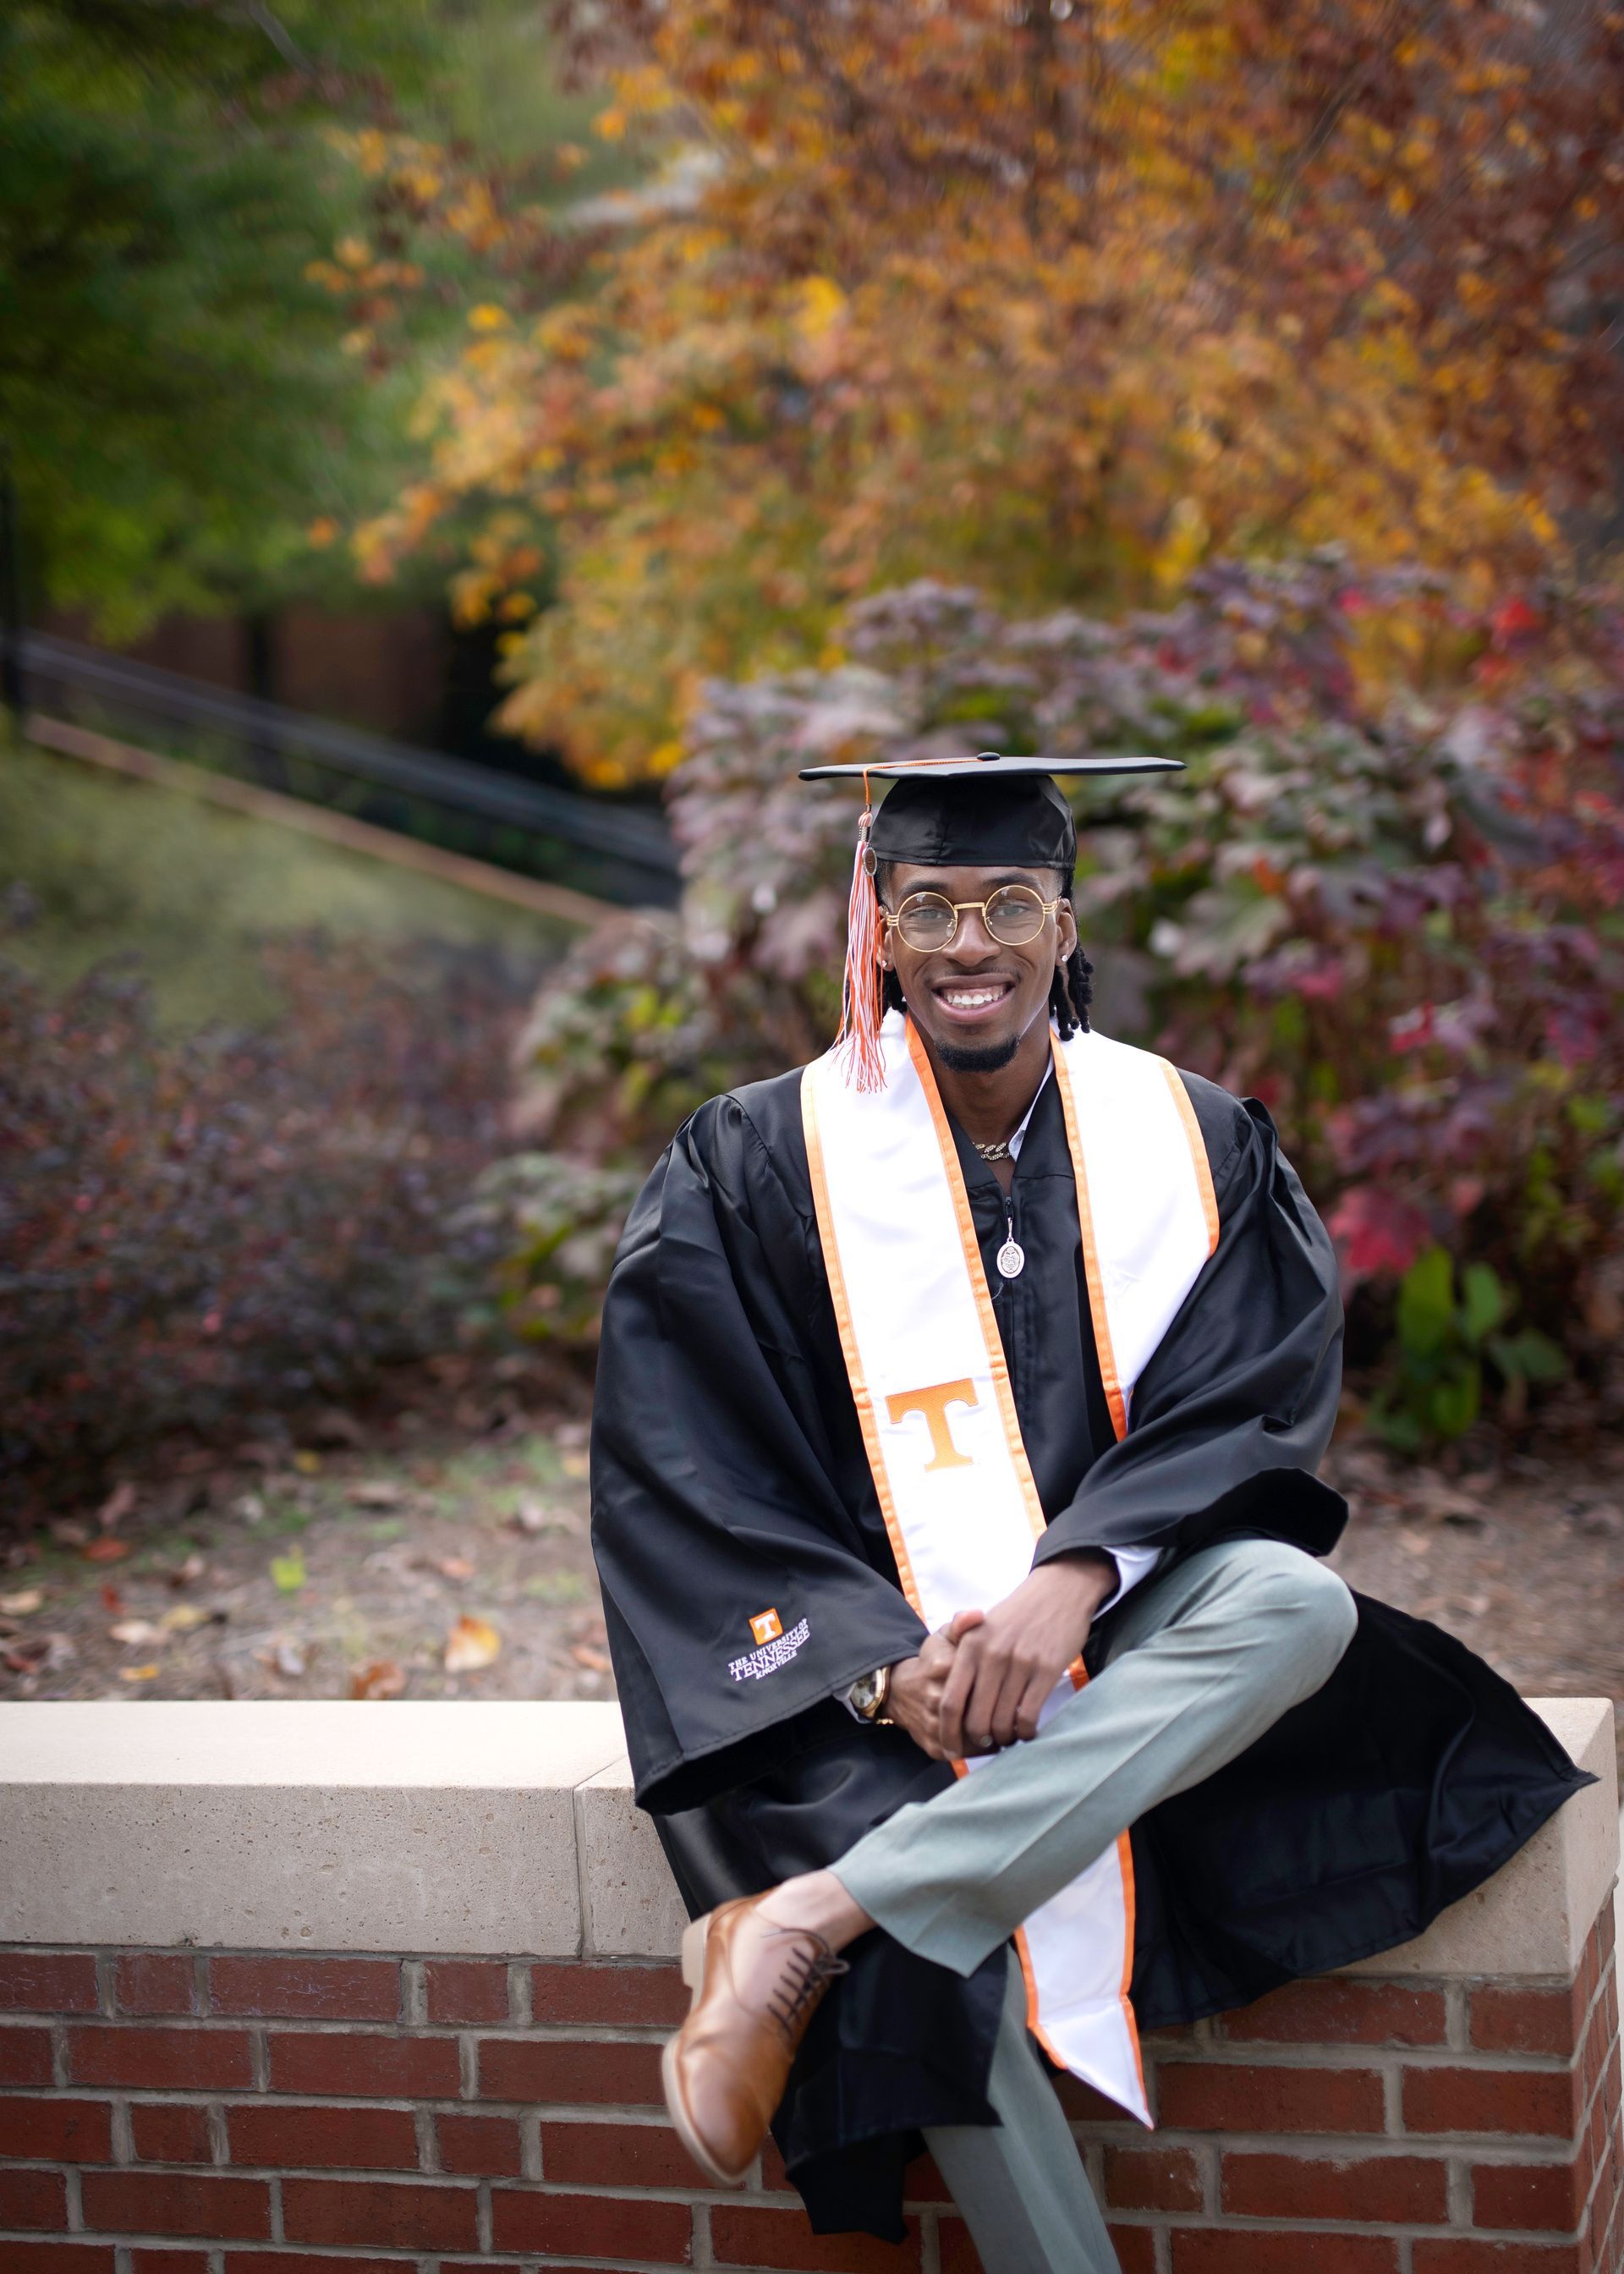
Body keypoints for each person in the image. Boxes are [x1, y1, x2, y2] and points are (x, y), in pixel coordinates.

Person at [590, 754, 1587, 2274]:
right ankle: (902, 1908)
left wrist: (1078, 1577)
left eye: (1006, 904)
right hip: (865, 1697)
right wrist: (876, 1659)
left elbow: (1247, 1403)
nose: (967, 944)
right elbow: (683, 1461)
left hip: (1118, 1647)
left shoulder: (1186, 1138)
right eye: (927, 906)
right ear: (878, 933)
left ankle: (819, 1918)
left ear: (1066, 923)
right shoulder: (754, 1159)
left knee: (1294, 1604)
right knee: (942, 1970)